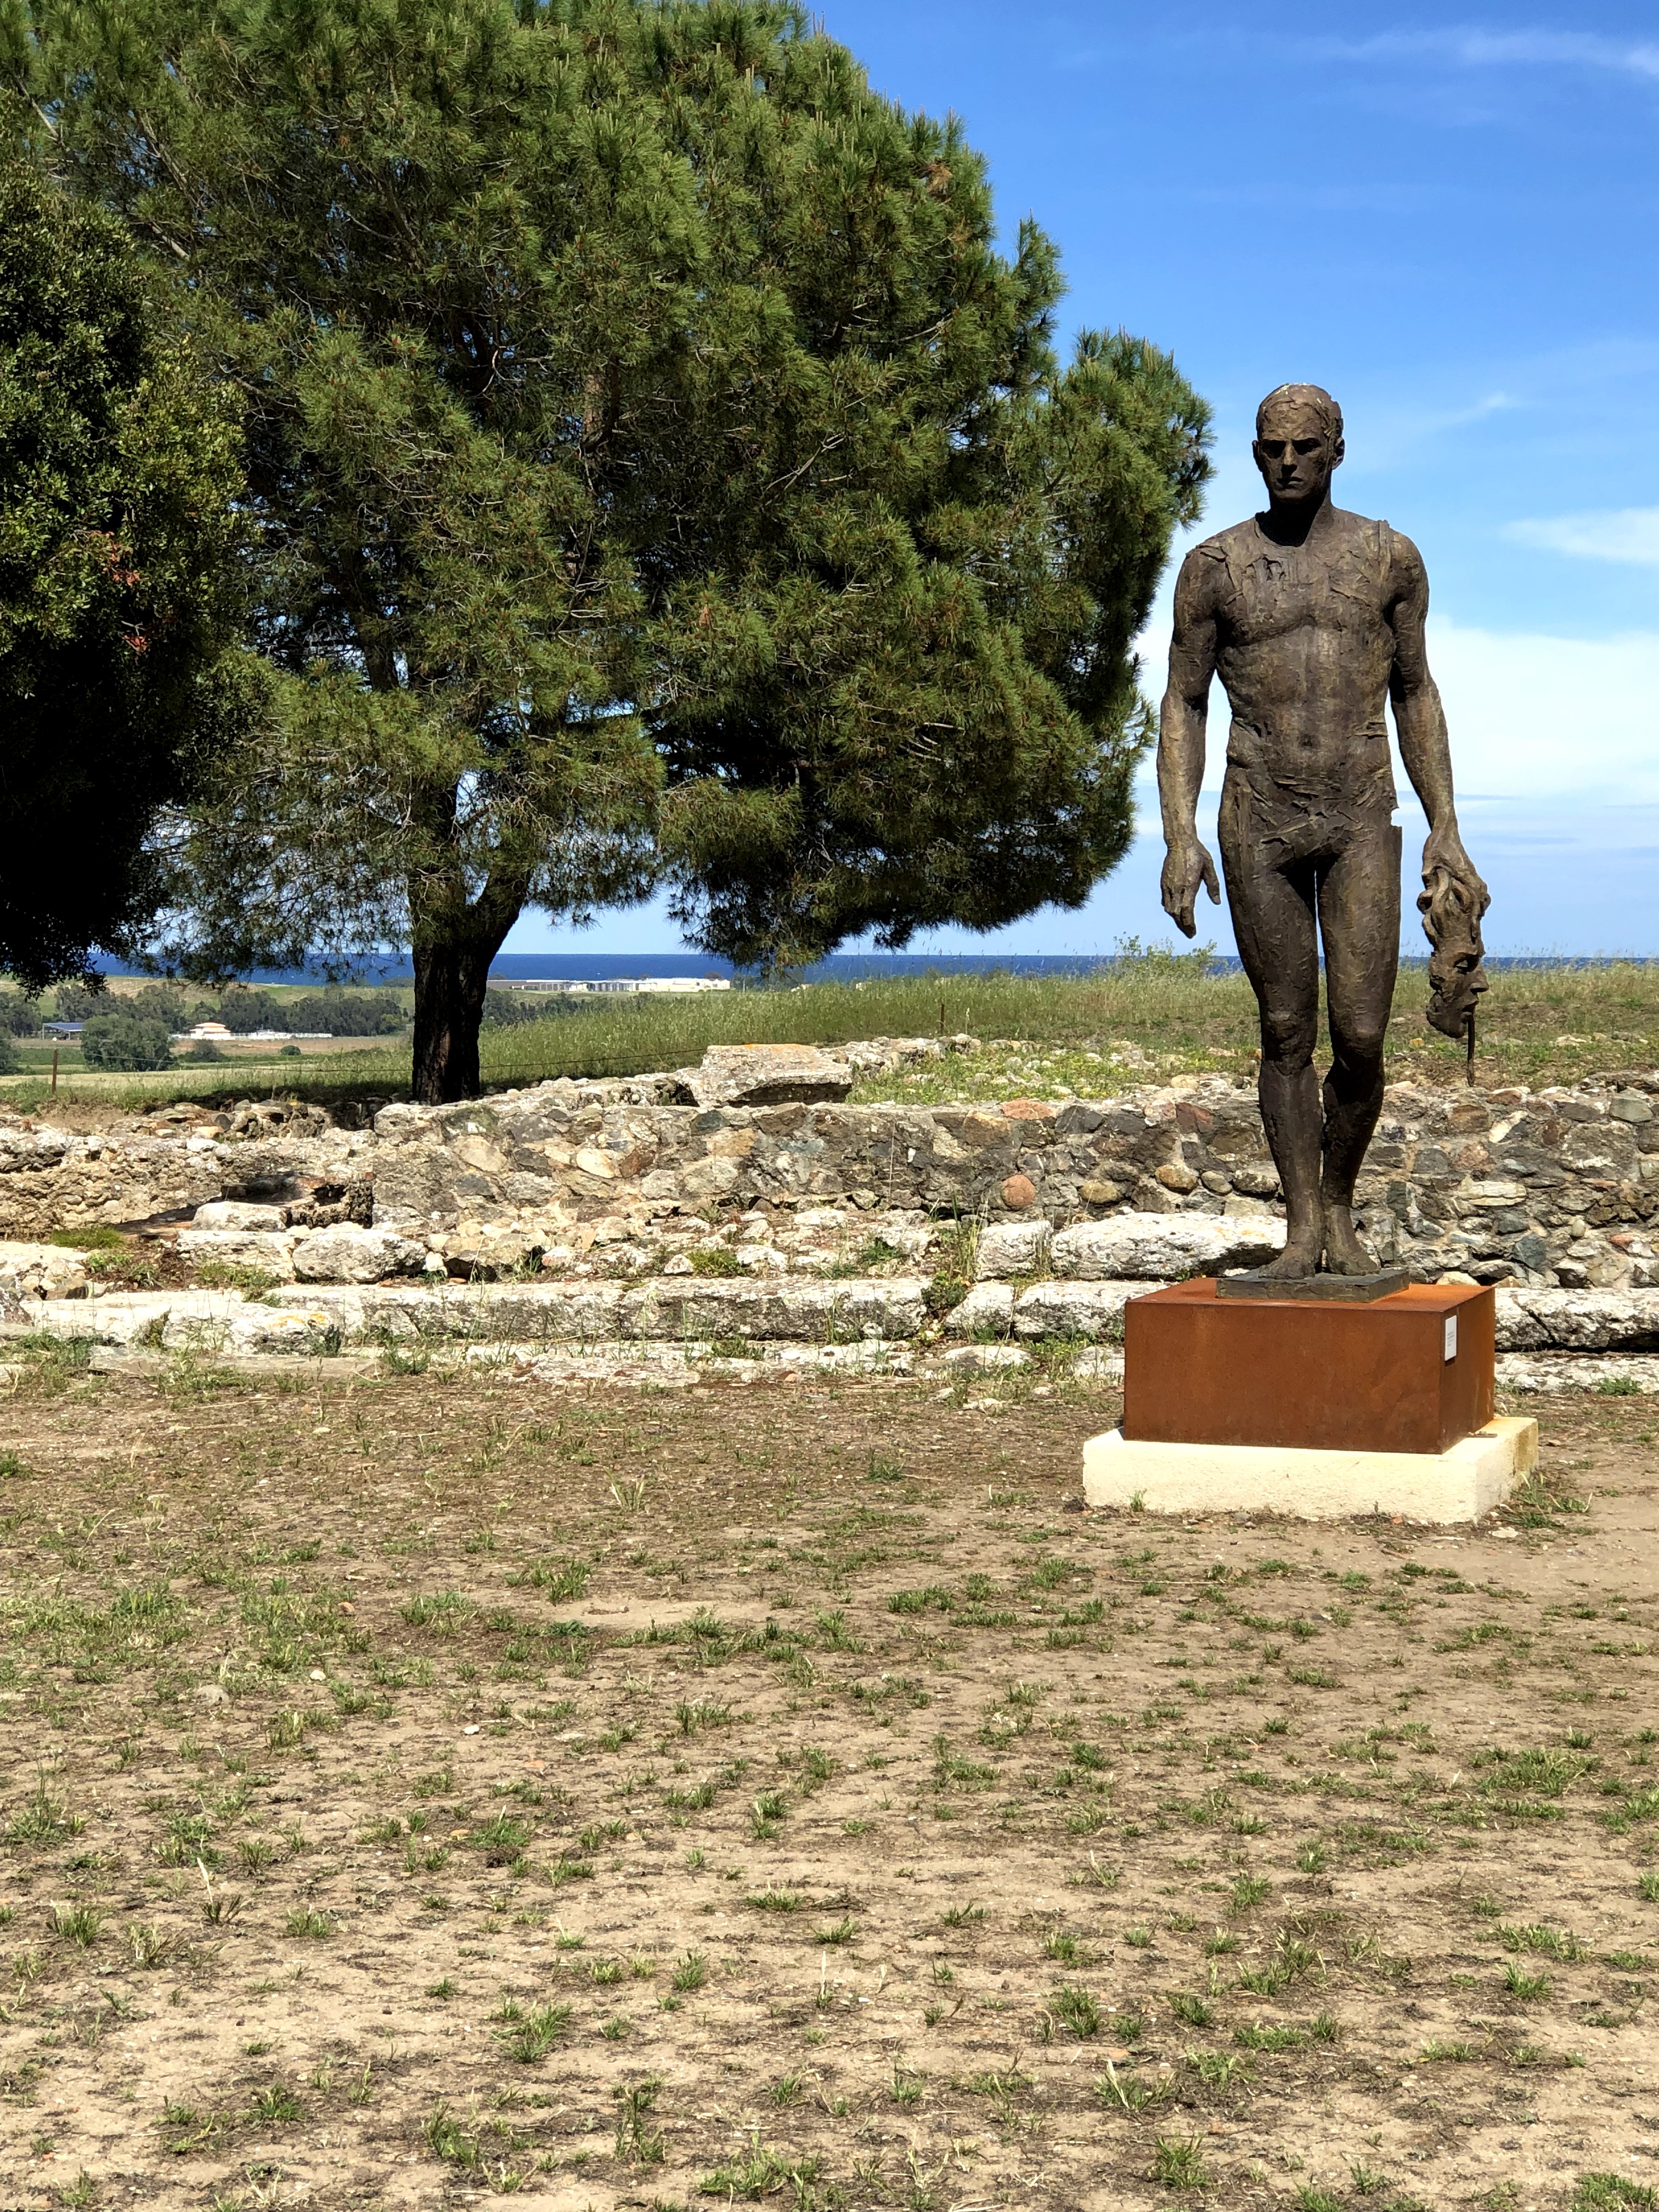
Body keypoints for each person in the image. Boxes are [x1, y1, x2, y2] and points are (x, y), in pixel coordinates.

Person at [1157, 383, 1488, 1278]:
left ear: (1337, 451)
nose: (1289, 462)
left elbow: (1415, 690)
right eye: (1273, 449)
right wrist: (1179, 832)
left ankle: (1339, 1207)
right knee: (1283, 1027)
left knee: (1364, 1034)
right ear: (1255, 454)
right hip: (1258, 811)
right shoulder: (1214, 566)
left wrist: (1446, 824)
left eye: (1305, 447)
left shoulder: (1389, 558)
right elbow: (1184, 700)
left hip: (1358, 811)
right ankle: (1304, 1227)